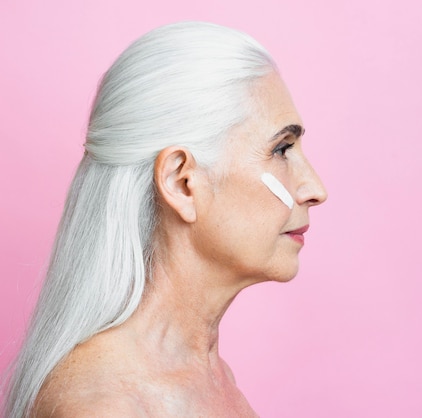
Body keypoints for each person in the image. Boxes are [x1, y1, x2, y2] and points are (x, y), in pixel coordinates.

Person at [3, 21, 327, 417]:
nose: (315, 189)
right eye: (281, 149)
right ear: (182, 182)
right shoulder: (105, 407)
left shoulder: (211, 377)